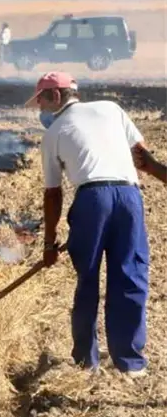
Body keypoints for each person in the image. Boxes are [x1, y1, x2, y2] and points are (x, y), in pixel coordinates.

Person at [27, 70, 150, 378]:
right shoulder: (112, 108)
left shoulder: (53, 134)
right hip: (128, 197)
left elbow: (53, 195)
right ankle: (130, 363)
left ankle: (87, 362)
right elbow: (143, 159)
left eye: (41, 101)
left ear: (55, 96)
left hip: (92, 199)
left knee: (88, 281)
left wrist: (49, 244)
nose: (40, 109)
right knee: (130, 275)